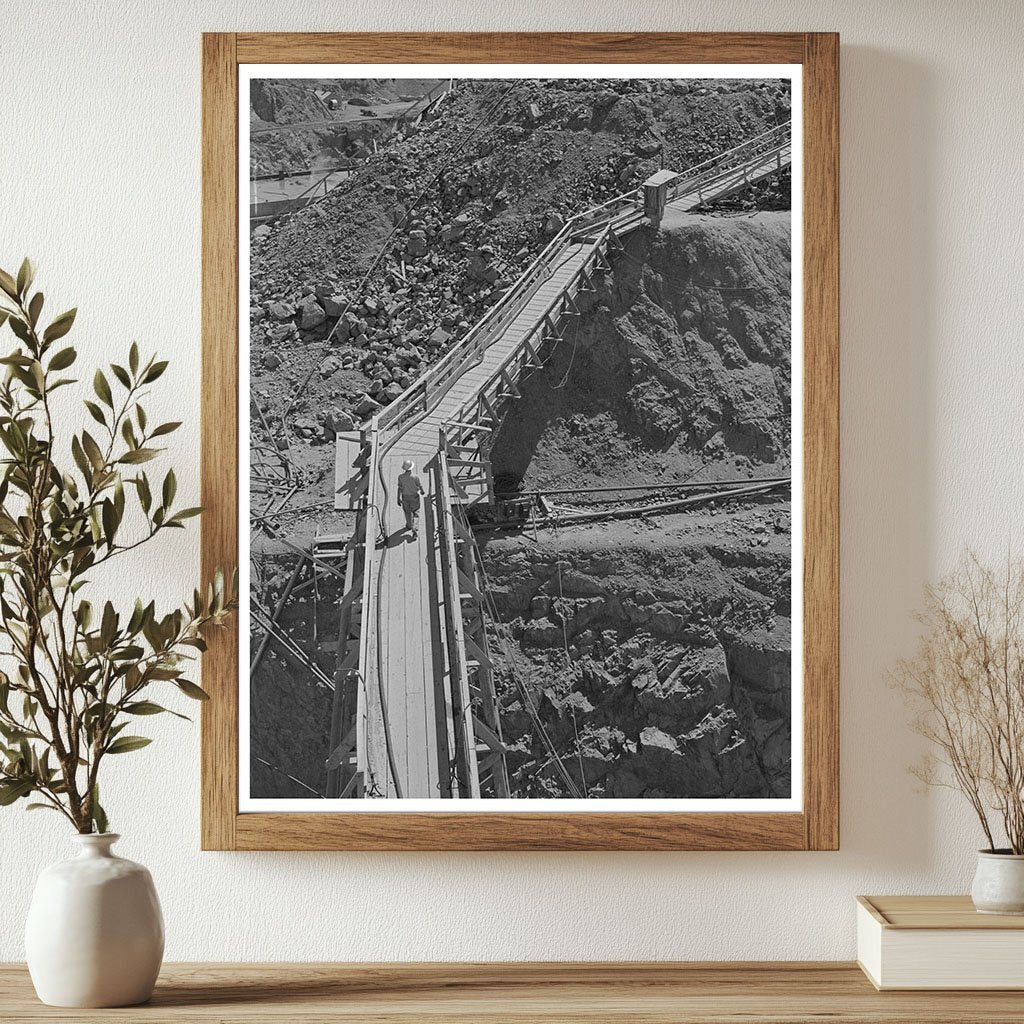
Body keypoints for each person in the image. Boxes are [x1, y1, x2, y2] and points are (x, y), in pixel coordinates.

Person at [396, 458, 425, 538]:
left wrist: (398, 498)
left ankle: (409, 525)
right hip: (414, 497)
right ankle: (415, 529)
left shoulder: (400, 477)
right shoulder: (415, 477)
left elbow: (400, 488)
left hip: (405, 497)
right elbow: (419, 486)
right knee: (416, 512)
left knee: (407, 512)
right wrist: (422, 491)